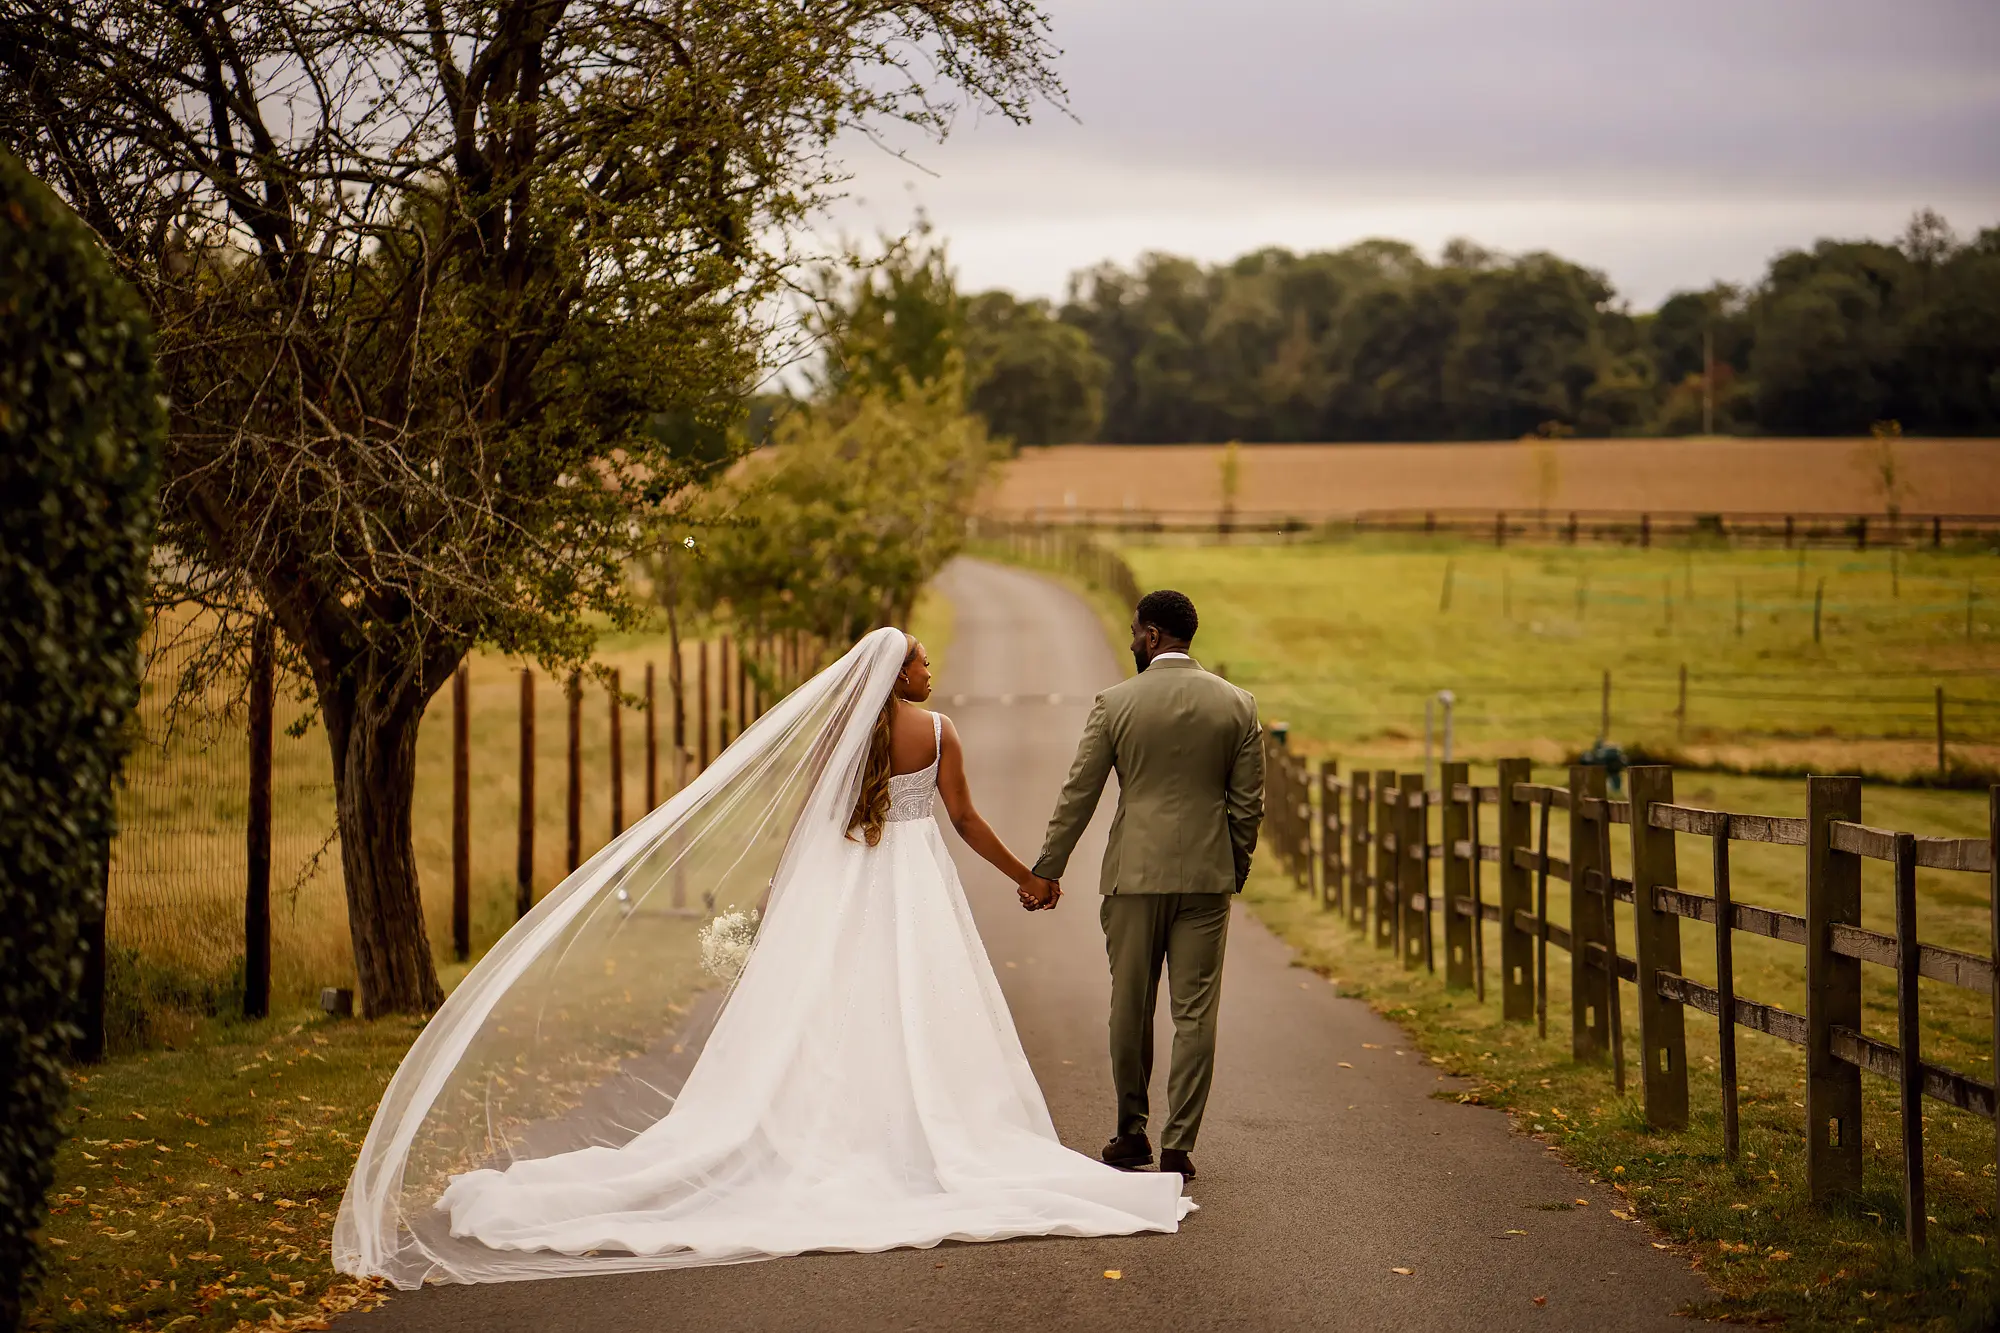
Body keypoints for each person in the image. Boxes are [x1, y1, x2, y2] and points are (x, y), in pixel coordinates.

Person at [334, 628, 1189, 1288]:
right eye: (923, 661)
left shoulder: (841, 738)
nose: (931, 670)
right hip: (916, 888)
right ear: (899, 674)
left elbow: (805, 829)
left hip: (847, 880)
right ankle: (914, 1131)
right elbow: (963, 821)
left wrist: (781, 905)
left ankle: (823, 1124)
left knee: (829, 1006)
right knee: (918, 1007)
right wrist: (1030, 879)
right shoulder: (936, 730)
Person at [1024, 590, 1263, 1182]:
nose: (1132, 641)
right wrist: (1231, 867)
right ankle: (1179, 1145)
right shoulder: (1239, 706)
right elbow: (1248, 804)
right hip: (1207, 880)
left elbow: (1079, 793)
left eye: (1135, 632)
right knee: (1196, 1012)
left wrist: (1047, 868)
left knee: (1130, 1006)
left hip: (1133, 876)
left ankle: (1131, 1134)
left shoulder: (1116, 703)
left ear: (1153, 636)